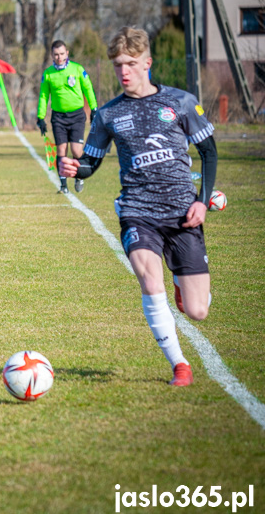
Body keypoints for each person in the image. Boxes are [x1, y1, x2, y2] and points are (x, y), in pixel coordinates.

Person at [59, 26, 218, 387]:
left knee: (198, 310)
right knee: (148, 277)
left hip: (182, 213)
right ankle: (180, 364)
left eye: (130, 63)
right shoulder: (108, 115)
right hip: (137, 211)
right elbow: (92, 163)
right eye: (117, 65)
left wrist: (203, 202)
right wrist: (75, 167)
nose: (123, 71)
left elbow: (208, 153)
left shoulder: (180, 102)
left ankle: (182, 279)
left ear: (147, 62)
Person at [37, 40, 98, 193]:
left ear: (67, 53)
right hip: (58, 118)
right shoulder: (48, 73)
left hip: (77, 116)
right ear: (52, 55)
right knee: (61, 150)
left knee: (77, 151)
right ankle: (63, 186)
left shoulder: (77, 69)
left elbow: (88, 88)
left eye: (62, 54)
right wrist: (40, 117)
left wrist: (94, 108)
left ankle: (78, 176)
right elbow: (44, 96)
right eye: (56, 54)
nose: (59, 57)